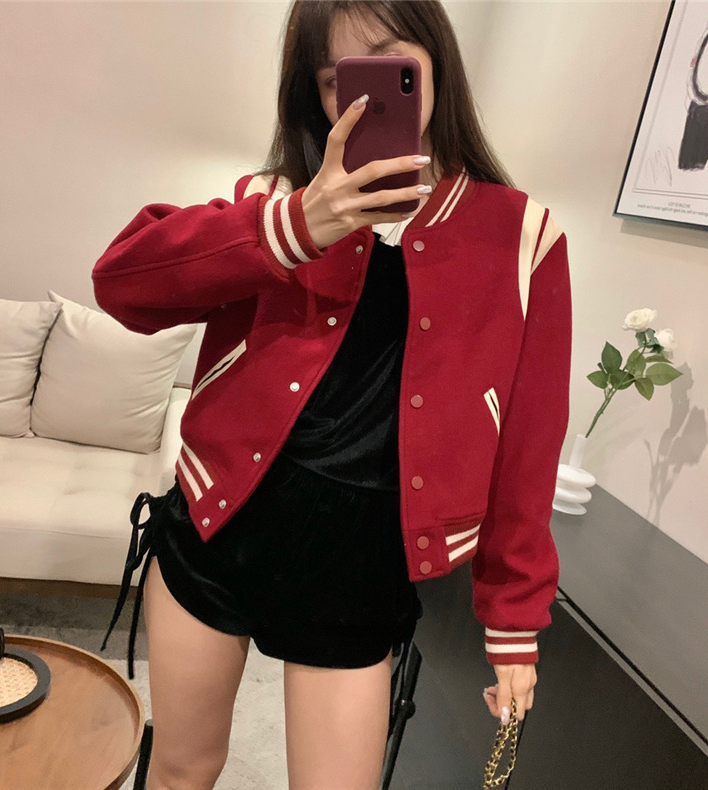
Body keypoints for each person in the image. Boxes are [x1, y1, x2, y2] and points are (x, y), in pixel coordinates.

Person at [95, 1, 572, 787]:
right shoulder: (275, 199)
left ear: (435, 57)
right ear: (316, 95)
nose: (365, 93)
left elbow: (529, 447)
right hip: (218, 532)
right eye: (336, 78)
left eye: (390, 59)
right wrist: (295, 225)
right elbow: (121, 285)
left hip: (360, 571)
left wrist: (514, 621)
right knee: (180, 770)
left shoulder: (522, 238)